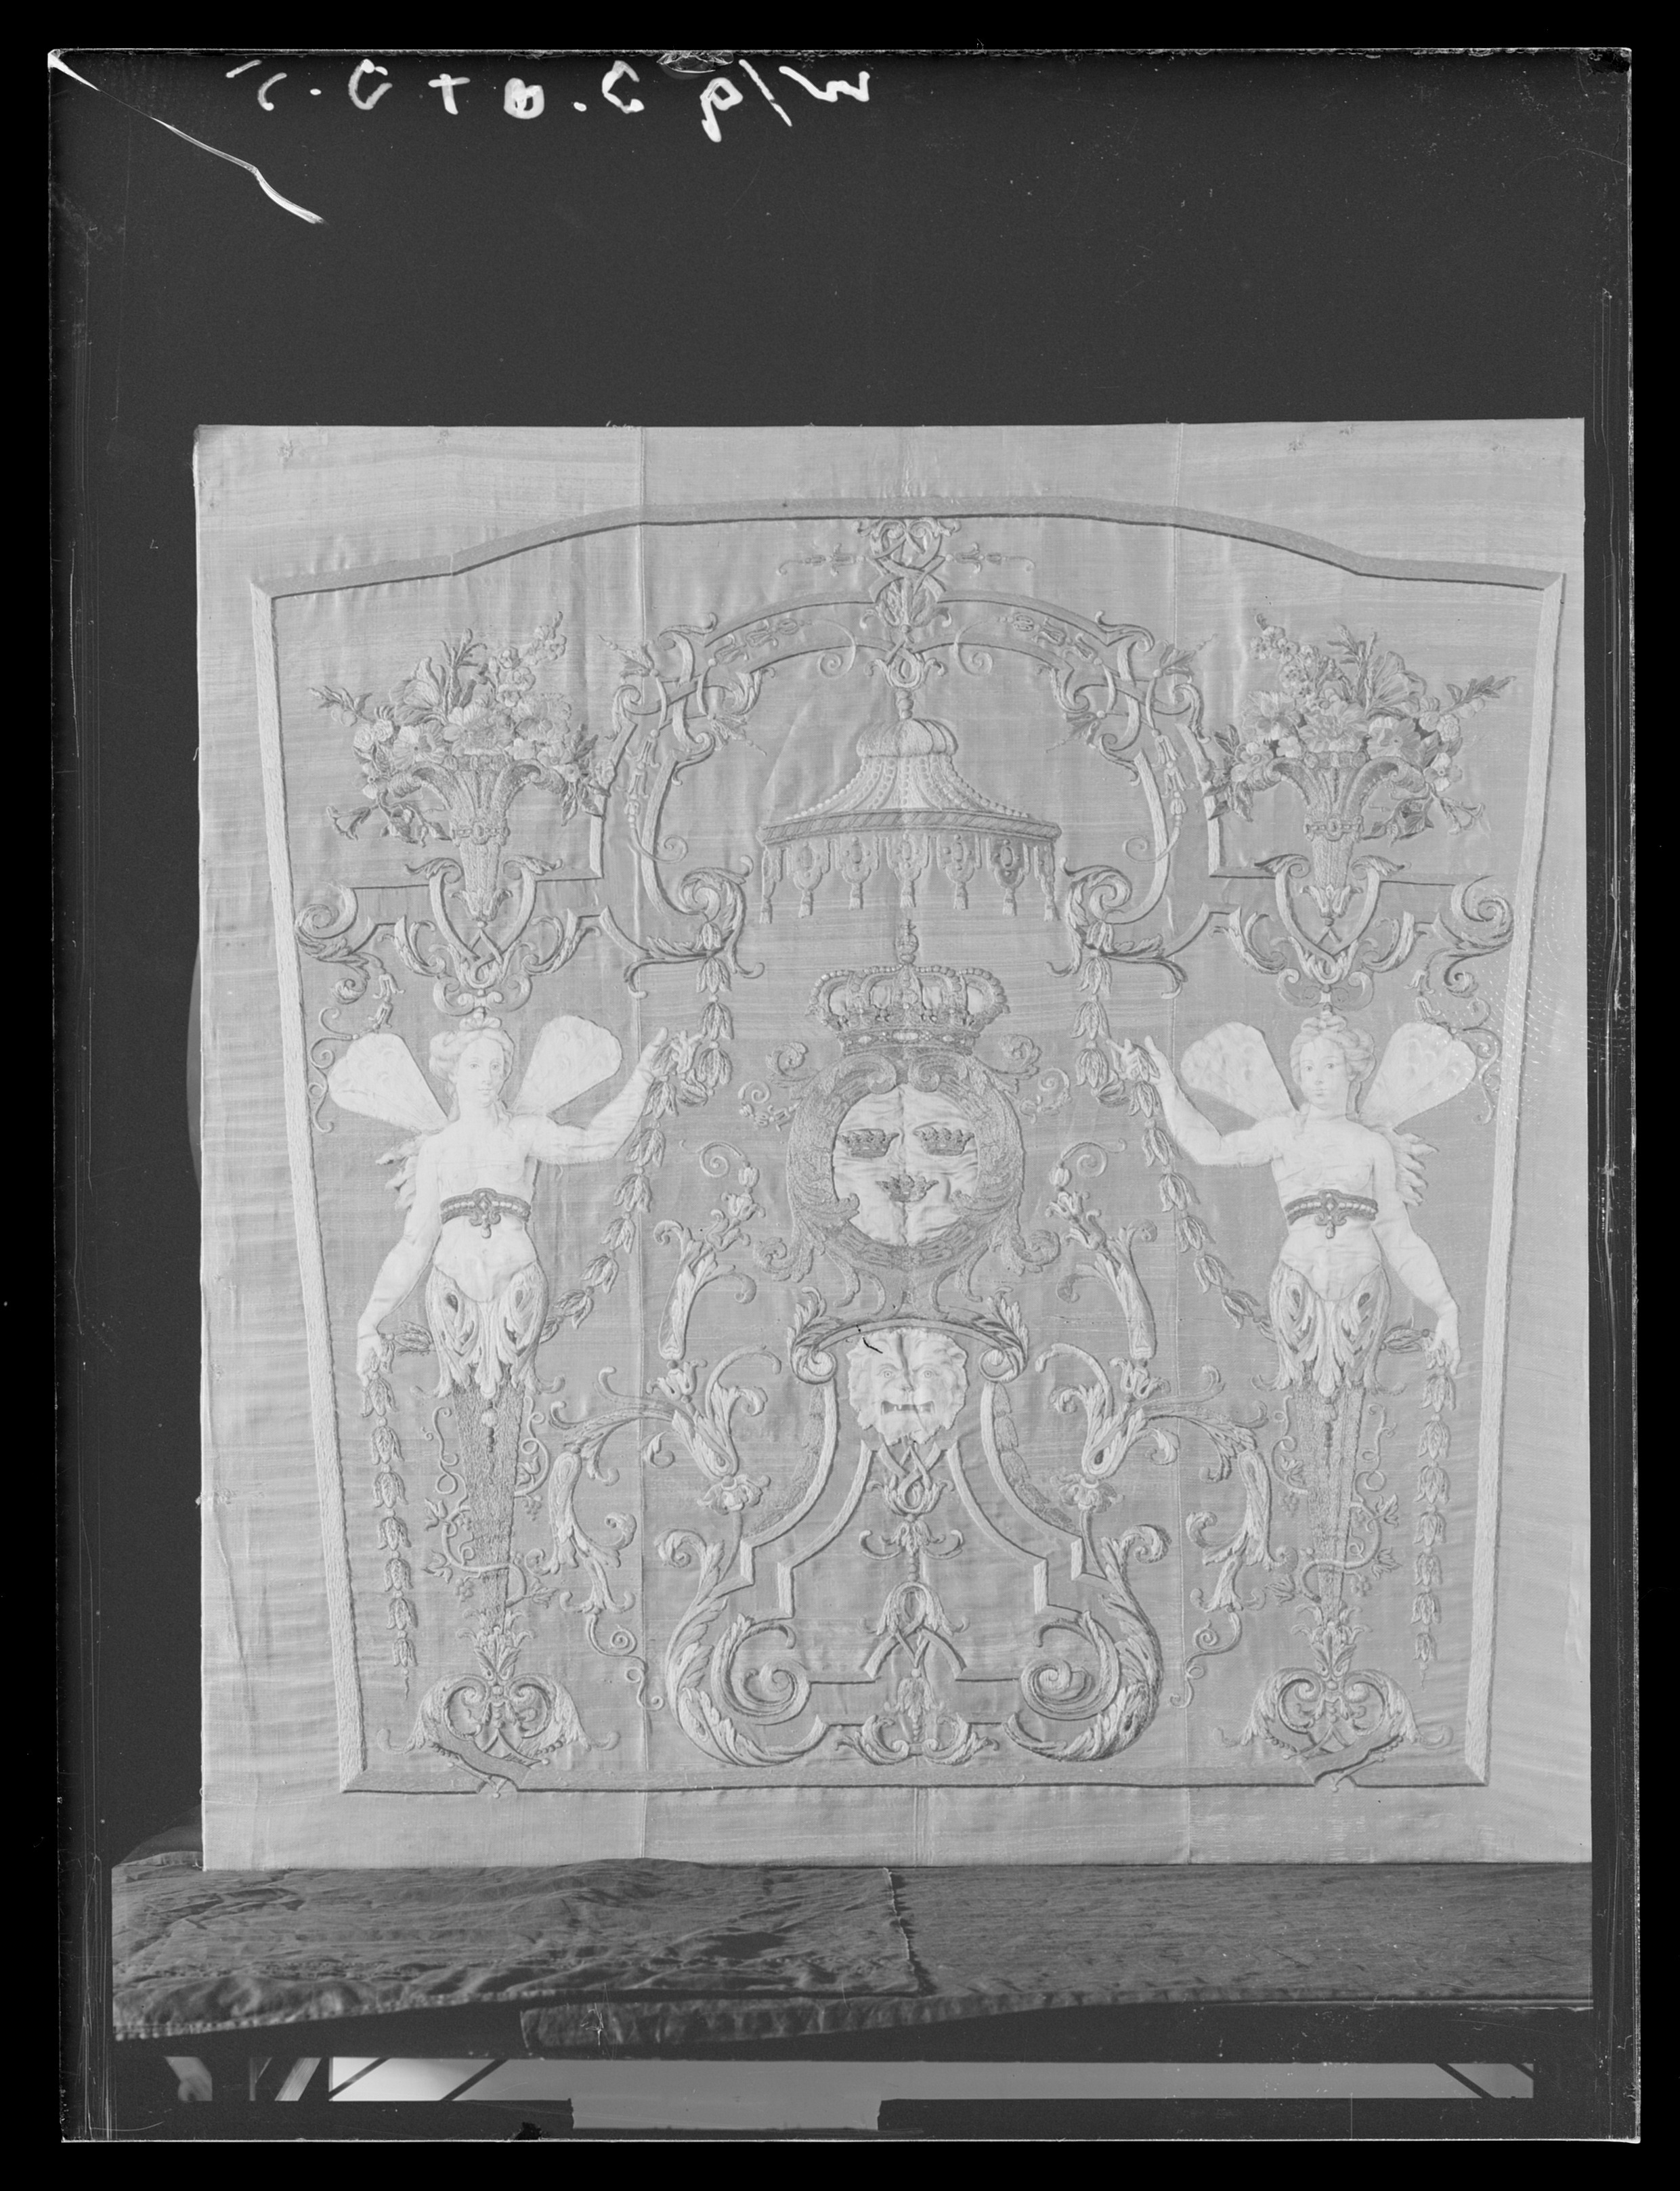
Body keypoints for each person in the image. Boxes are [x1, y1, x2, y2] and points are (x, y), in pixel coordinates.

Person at [1140, 1021, 1461, 1400]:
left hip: (1364, 1292)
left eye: (1330, 1066)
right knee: (1301, 1401)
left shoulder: (1373, 1146)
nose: (1318, 1079)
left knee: (1355, 1404)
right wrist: (1167, 1087)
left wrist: (1446, 1309)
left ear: (1353, 1071)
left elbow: (1398, 1235)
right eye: (1308, 1068)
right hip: (1296, 1288)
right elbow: (1212, 1150)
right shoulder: (1283, 1133)